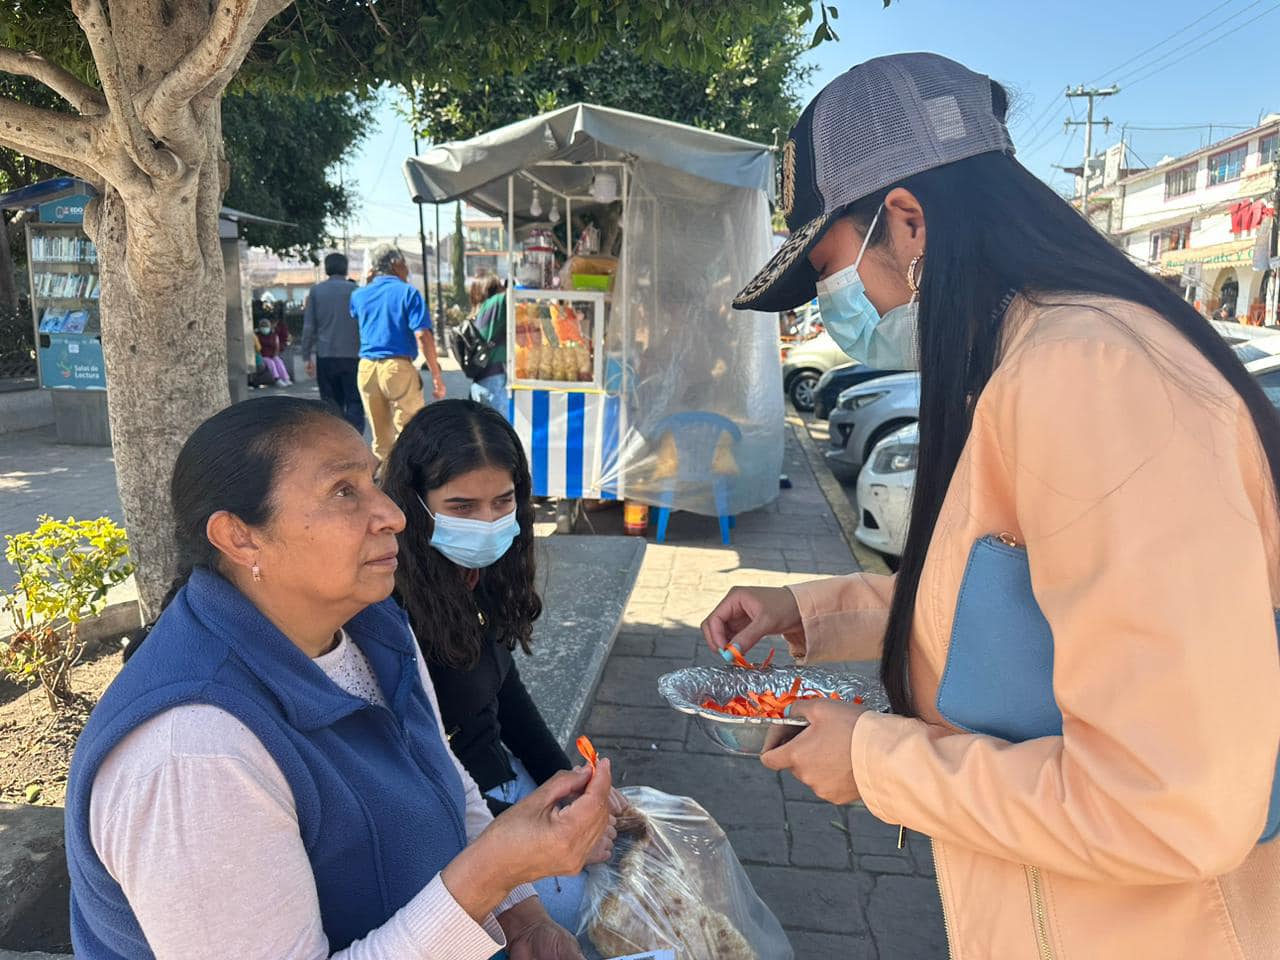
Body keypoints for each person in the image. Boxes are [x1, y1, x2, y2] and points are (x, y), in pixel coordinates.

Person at [705, 53, 1279, 959]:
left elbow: (1173, 801)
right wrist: (811, 612)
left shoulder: (1093, 376)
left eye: (831, 267)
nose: (834, 306)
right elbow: (1017, 605)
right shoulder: (1030, 361)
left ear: (907, 220)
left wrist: (873, 760)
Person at [66, 396, 614, 959]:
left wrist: (522, 919)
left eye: (373, 481)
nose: (394, 515)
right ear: (239, 537)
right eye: (344, 492)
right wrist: (492, 872)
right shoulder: (193, 754)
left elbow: (449, 782)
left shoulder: (375, 623)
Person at [382, 399, 627, 933]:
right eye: (462, 506)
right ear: (414, 504)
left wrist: (570, 783)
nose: (489, 522)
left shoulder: (481, 572)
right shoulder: (388, 605)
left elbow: (505, 691)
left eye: (503, 501)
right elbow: (411, 772)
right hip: (454, 815)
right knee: (575, 910)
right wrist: (540, 836)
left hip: (501, 776)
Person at [350, 245, 446, 462]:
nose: (407, 271)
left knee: (380, 438)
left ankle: (383, 485)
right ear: (395, 264)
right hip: (397, 367)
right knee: (411, 433)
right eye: (405, 264)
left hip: (366, 368)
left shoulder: (359, 294)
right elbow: (423, 335)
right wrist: (436, 376)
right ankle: (409, 486)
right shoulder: (408, 292)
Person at [302, 253, 364, 433]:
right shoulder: (356, 291)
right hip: (353, 355)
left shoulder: (316, 291)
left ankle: (335, 439)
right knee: (354, 401)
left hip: (326, 355)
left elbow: (309, 327)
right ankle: (355, 437)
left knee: (330, 404)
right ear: (345, 268)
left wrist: (307, 356)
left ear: (326, 268)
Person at [467, 276, 508, 414]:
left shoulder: (478, 313)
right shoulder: (496, 303)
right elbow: (514, 296)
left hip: (480, 382)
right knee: (500, 431)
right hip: (494, 381)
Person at [255, 317, 291, 386]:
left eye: (266, 326)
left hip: (272, 355)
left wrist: (275, 354)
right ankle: (277, 379)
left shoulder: (274, 335)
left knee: (278, 361)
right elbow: (258, 348)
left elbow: (277, 346)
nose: (264, 328)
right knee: (271, 363)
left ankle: (286, 378)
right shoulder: (258, 336)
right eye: (263, 326)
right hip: (263, 356)